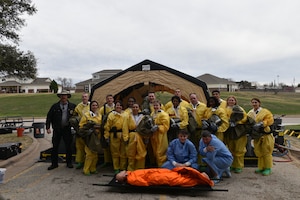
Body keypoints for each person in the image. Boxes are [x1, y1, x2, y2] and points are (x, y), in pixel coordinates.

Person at [46, 91, 76, 170]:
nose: (63, 97)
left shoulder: (72, 106)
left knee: (68, 146)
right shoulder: (55, 106)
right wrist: (48, 127)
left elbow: (77, 117)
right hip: (57, 129)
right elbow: (49, 117)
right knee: (55, 147)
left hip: (67, 129)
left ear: (67, 97)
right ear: (60, 97)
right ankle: (54, 164)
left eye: (65, 96)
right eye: (62, 96)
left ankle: (69, 163)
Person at [247, 98, 274, 176]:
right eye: (253, 102)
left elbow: (270, 119)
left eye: (256, 102)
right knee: (258, 151)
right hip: (256, 135)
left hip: (265, 134)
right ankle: (261, 167)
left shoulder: (265, 112)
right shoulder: (250, 112)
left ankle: (268, 168)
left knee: (266, 151)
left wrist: (262, 124)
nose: (254, 104)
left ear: (259, 103)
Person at [115, 167, 214, 187]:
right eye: (121, 173)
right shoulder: (131, 178)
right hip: (155, 177)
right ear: (125, 176)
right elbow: (145, 183)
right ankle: (200, 179)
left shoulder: (131, 173)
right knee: (177, 179)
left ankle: (199, 175)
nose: (122, 171)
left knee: (177, 173)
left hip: (157, 172)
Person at [224, 96, 249, 173]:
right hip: (229, 131)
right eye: (229, 100)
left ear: (235, 101)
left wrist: (237, 122)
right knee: (231, 148)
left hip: (238, 131)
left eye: (232, 100)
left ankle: (239, 166)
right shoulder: (224, 109)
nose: (231, 101)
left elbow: (245, 118)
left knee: (239, 149)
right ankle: (232, 165)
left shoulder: (240, 109)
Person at [104, 100, 129, 174]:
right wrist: (106, 136)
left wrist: (126, 137)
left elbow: (127, 126)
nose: (118, 107)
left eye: (120, 105)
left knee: (123, 152)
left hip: (123, 134)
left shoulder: (126, 114)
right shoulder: (111, 115)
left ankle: (123, 167)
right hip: (114, 135)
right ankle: (116, 167)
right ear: (115, 107)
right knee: (115, 152)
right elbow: (107, 126)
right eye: (117, 105)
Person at [78, 100, 101, 175]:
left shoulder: (99, 115)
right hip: (90, 137)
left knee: (95, 153)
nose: (94, 107)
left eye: (96, 105)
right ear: (90, 107)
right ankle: (86, 169)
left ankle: (93, 168)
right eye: (93, 105)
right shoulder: (86, 115)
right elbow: (81, 126)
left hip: (97, 136)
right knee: (89, 153)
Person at [126, 103, 148, 170]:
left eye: (136, 107)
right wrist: (125, 137)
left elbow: (146, 128)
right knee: (131, 153)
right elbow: (125, 127)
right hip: (131, 135)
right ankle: (130, 169)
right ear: (132, 108)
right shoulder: (128, 116)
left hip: (141, 136)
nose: (135, 108)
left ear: (139, 108)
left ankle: (140, 169)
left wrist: (146, 138)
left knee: (141, 153)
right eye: (134, 107)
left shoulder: (143, 117)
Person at [149, 100, 170, 167]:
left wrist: (158, 127)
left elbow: (166, 126)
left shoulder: (164, 114)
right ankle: (157, 165)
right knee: (155, 151)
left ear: (160, 106)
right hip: (154, 135)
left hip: (161, 135)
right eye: (154, 105)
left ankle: (162, 166)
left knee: (161, 151)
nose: (155, 107)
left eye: (157, 105)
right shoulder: (152, 114)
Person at [73, 92, 90, 169]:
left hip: (89, 128)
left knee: (88, 147)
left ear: (88, 98)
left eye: (86, 97)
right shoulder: (78, 106)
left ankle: (88, 163)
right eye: (83, 97)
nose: (84, 98)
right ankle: (80, 162)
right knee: (79, 146)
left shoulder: (91, 105)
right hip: (80, 128)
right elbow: (74, 115)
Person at [99, 94, 115, 167]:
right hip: (106, 129)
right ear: (106, 100)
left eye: (111, 98)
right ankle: (107, 161)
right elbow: (100, 118)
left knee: (114, 147)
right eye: (108, 99)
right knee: (106, 146)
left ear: (113, 99)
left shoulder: (116, 107)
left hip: (115, 129)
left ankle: (113, 162)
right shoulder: (103, 109)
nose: (109, 100)